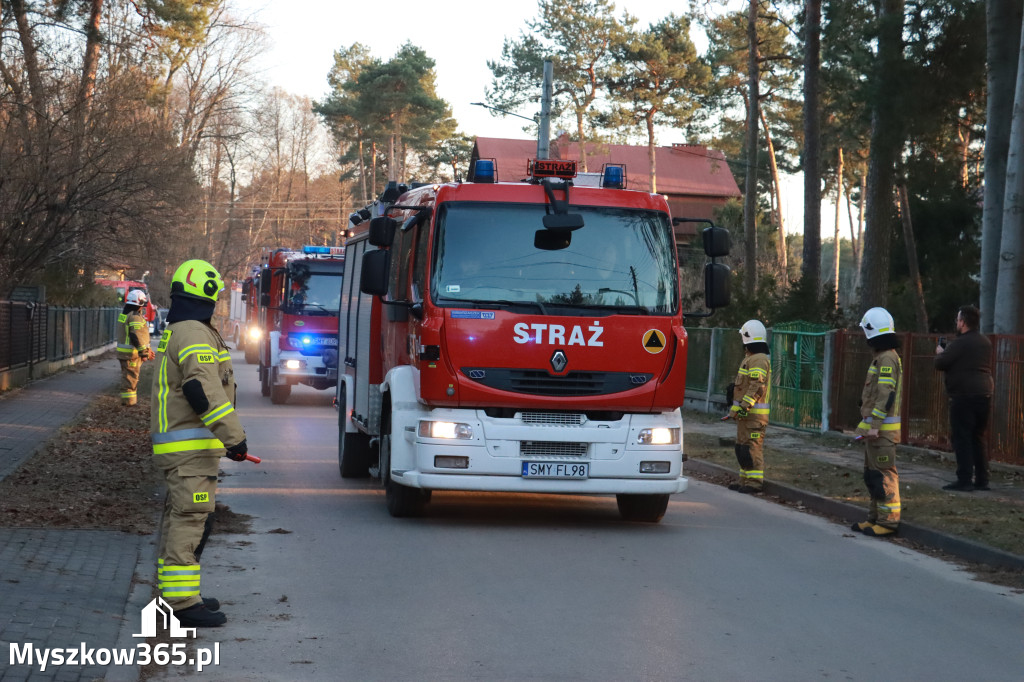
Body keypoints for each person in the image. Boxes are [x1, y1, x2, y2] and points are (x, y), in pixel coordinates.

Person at [150, 259, 248, 628]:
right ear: (208, 292)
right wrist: (234, 438)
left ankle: (173, 592)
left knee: (182, 519)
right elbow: (202, 389)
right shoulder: (193, 332)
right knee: (190, 521)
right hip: (189, 451)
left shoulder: (184, 328)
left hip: (185, 449)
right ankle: (182, 604)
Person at [852, 307, 903, 537]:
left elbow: (886, 395)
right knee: (872, 475)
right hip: (876, 432)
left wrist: (874, 425)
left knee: (883, 475)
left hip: (882, 432)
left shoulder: (887, 359)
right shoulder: (881, 357)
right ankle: (874, 518)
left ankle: (888, 521)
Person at [934, 304, 994, 492]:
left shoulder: (960, 343)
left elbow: (941, 363)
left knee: (962, 437)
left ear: (963, 322)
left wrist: (940, 352)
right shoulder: (985, 342)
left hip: (964, 395)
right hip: (984, 393)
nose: (956, 323)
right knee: (978, 437)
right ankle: (982, 479)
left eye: (958, 320)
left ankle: (965, 479)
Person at [726, 320, 771, 494]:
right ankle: (745, 480)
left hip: (754, 416)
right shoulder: (751, 359)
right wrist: (735, 409)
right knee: (742, 448)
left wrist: (745, 406)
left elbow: (757, 385)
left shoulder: (758, 360)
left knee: (752, 448)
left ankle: (754, 483)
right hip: (746, 415)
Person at [116, 289, 154, 405]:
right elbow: (136, 335)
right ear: (140, 303)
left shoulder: (124, 315)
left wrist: (148, 350)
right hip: (132, 354)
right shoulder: (135, 317)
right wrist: (144, 352)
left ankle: (127, 401)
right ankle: (129, 403)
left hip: (125, 354)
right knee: (131, 379)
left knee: (127, 377)